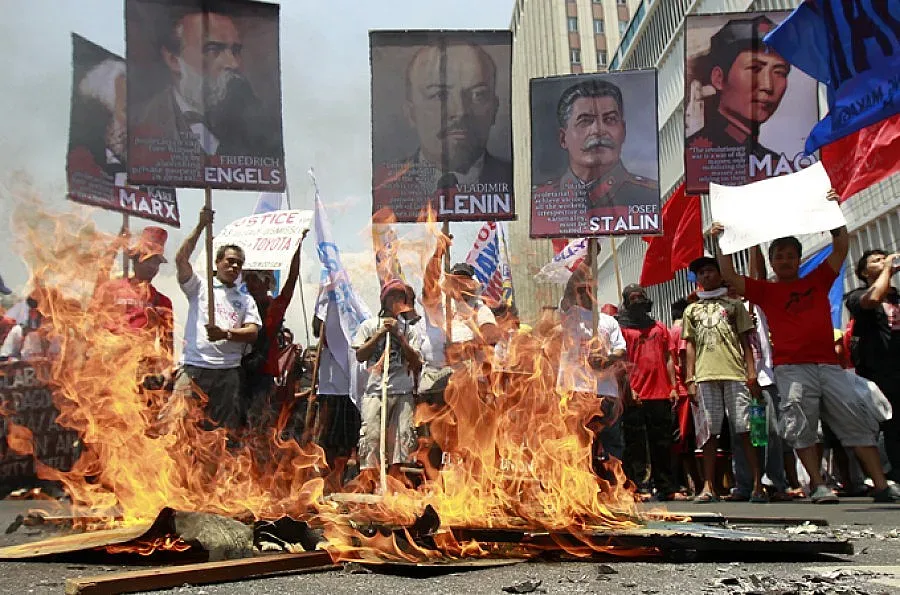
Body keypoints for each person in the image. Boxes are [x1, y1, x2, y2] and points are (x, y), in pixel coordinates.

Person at [711, 210, 900, 503]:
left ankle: (880, 484)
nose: (785, 260)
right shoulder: (765, 290)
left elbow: (840, 248)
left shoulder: (819, 279)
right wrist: (720, 241)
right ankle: (818, 484)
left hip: (829, 365)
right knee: (800, 424)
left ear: (798, 259)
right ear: (772, 261)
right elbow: (730, 275)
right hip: (792, 369)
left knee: (855, 418)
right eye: (779, 256)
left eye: (790, 255)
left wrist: (836, 216)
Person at [373, 40, 512, 218]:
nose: (460, 111)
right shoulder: (383, 188)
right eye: (440, 95)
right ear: (411, 112)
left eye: (478, 94)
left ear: (494, 108)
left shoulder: (515, 183)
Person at [133, 8, 278, 156]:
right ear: (173, 60)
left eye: (235, 51)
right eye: (213, 50)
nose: (233, 63)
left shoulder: (263, 124)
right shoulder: (138, 123)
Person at [169, 209, 261, 434]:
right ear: (217, 262)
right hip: (195, 369)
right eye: (230, 261)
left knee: (217, 436)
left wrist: (226, 334)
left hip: (228, 373)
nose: (234, 267)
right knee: (175, 428)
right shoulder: (200, 286)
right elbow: (180, 259)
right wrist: (201, 226)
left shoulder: (245, 299)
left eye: (239, 264)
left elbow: (252, 332)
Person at [682, 256, 764, 503]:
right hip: (705, 377)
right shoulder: (692, 310)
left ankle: (758, 484)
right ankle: (708, 486)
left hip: (735, 374)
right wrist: (690, 378)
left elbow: (746, 342)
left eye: (710, 271)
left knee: (745, 430)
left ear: (719, 275)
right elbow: (690, 346)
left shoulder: (734, 305)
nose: (706, 276)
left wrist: (751, 373)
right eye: (701, 273)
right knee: (709, 434)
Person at [531, 79, 659, 233]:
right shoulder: (539, 203)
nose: (598, 130)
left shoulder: (649, 196)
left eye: (610, 120)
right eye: (585, 121)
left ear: (623, 131)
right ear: (563, 138)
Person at [686, 15, 787, 178]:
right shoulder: (698, 155)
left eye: (779, 72)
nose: (768, 86)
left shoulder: (777, 164)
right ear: (718, 78)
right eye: (754, 69)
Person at [351, 279, 423, 491]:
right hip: (375, 392)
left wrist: (399, 337)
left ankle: (394, 487)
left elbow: (417, 362)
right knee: (371, 438)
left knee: (401, 442)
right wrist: (381, 334)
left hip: (402, 392)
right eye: (394, 297)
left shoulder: (409, 330)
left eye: (402, 298)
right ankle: (370, 485)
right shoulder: (369, 325)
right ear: (385, 300)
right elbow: (360, 355)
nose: (398, 302)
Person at [557, 264, 626, 476]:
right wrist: (587, 258)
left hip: (605, 390)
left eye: (590, 289)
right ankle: (580, 483)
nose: (585, 293)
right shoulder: (570, 315)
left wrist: (607, 359)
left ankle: (614, 484)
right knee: (578, 440)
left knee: (611, 439)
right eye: (581, 289)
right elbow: (568, 291)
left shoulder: (608, 320)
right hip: (576, 388)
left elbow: (620, 349)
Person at [617, 283, 679, 501]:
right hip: (635, 395)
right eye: (632, 298)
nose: (637, 301)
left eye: (640, 297)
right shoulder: (622, 330)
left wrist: (673, 387)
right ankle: (637, 487)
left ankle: (666, 487)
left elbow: (669, 357)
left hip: (660, 393)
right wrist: (629, 388)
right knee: (635, 444)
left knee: (662, 443)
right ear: (626, 302)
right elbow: (621, 362)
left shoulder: (660, 328)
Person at [845, 249, 900, 483]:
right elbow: (873, 299)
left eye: (884, 258)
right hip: (878, 373)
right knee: (888, 425)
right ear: (863, 272)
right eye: (876, 261)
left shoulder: (896, 297)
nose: (883, 262)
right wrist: (888, 268)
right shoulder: (856, 296)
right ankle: (884, 476)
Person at [243, 238, 305, 432]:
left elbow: (292, 279)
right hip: (238, 370)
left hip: (263, 375)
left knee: (259, 424)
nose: (251, 284)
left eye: (256, 279)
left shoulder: (274, 307)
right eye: (249, 278)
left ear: (267, 283)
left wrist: (297, 246)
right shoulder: (239, 304)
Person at [669, 298, 701, 497]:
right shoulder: (681, 330)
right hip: (685, 391)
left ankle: (691, 484)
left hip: (683, 389)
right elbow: (682, 357)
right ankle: (691, 484)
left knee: (685, 441)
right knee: (686, 440)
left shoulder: (672, 329)